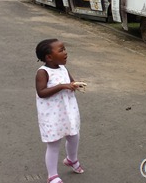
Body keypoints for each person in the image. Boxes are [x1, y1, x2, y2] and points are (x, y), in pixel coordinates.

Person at [35, 39, 84, 183]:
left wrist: (75, 85)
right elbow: (41, 92)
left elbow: (70, 82)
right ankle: (52, 175)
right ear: (49, 57)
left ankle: (71, 159)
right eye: (61, 50)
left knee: (74, 136)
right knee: (54, 143)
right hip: (52, 115)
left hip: (68, 111)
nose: (65, 53)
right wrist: (62, 86)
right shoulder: (43, 72)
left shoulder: (63, 69)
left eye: (64, 49)